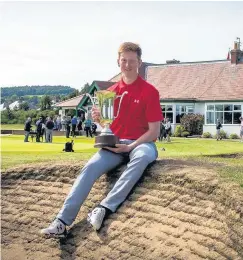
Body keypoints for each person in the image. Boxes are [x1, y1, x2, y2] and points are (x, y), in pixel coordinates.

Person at [40, 42, 163, 237]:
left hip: (141, 143)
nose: (128, 65)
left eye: (132, 61)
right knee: (90, 167)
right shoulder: (110, 92)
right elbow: (107, 127)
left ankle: (104, 208)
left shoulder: (149, 91)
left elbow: (154, 131)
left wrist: (130, 146)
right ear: (118, 62)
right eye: (124, 61)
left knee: (141, 157)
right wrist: (98, 122)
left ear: (139, 62)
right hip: (115, 144)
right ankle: (62, 222)